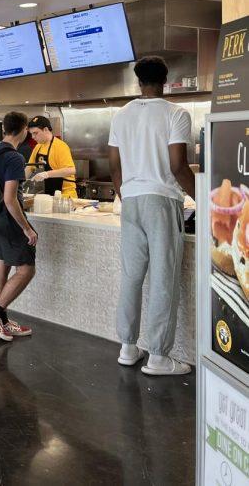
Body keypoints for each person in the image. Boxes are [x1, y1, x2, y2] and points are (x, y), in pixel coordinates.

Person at [109, 56, 195, 376]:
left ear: (137, 80)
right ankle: (158, 357)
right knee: (163, 279)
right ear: (165, 80)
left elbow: (114, 167)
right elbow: (178, 166)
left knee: (131, 277)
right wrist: (203, 199)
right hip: (161, 201)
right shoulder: (176, 113)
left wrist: (127, 194)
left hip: (130, 201)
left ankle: (128, 347)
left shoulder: (121, 116)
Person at [0, 111, 37, 341]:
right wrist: (26, 228)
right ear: (24, 129)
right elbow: (10, 198)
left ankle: (1, 320)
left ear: (4, 128)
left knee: (0, 265)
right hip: (8, 218)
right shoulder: (14, 157)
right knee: (26, 269)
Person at [25, 116, 77, 198]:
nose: (33, 137)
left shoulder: (60, 146)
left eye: (35, 133)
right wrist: (19, 183)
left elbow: (71, 170)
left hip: (65, 197)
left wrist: (47, 174)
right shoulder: (38, 147)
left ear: (45, 129)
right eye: (31, 134)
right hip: (47, 196)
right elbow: (29, 168)